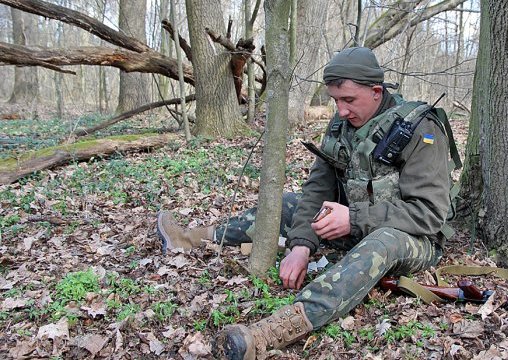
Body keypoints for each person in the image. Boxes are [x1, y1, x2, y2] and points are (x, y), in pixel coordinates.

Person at [158, 47, 451, 359]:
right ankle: (190, 239)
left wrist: (354, 218)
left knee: (383, 241)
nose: (340, 110)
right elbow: (318, 188)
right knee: (290, 203)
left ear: (376, 92)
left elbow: (430, 213)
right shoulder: (341, 126)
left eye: (348, 100)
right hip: (355, 222)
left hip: (412, 239)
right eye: (335, 100)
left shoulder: (420, 128)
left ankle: (267, 334)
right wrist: (301, 245)